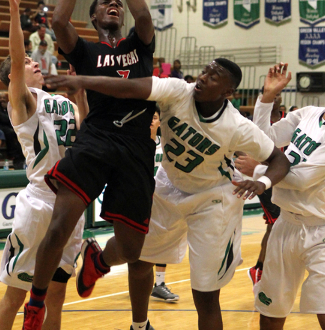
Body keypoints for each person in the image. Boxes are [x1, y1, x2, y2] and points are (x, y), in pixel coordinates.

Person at [44, 57, 290, 330]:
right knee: (137, 261)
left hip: (212, 197)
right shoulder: (177, 91)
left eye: (214, 76)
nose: (203, 77)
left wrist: (264, 182)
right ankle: (129, 310)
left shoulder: (237, 126)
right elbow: (130, 87)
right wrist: (82, 81)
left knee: (206, 296)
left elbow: (280, 161)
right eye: (205, 70)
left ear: (227, 92)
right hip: (168, 182)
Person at [22, 0, 158, 330]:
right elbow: (59, 19)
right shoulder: (85, 51)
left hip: (135, 144)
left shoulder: (139, 44)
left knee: (133, 249)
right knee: (61, 225)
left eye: (117, 2)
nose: (113, 4)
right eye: (105, 4)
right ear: (95, 18)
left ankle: (98, 260)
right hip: (97, 137)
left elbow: (145, 16)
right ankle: (37, 301)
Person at [0, 0, 88, 330]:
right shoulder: (22, 101)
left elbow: (86, 130)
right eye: (31, 64)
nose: (36, 63)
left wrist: (80, 93)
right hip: (40, 203)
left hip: (72, 202)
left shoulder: (59, 99)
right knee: (17, 295)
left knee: (56, 297)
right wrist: (15, 12)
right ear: (16, 78)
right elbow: (16, 59)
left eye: (36, 62)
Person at [250, 63, 325, 330]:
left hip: (321, 232)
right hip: (286, 225)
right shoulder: (309, 114)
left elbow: (303, 180)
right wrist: (267, 97)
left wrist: (257, 170)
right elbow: (263, 140)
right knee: (270, 312)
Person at [235, 88, 285, 285]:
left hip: (282, 174)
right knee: (275, 223)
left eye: (279, 93)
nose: (277, 95)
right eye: (273, 93)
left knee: (278, 224)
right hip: (265, 175)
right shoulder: (255, 121)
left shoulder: (288, 119)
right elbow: (241, 146)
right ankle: (261, 270)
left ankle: (262, 269)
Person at [150, 105, 179, 303]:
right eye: (149, 117)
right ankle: (140, 280)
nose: (151, 120)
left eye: (154, 117)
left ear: (160, 121)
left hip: (161, 200)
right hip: (141, 197)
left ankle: (159, 284)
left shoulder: (167, 142)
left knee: (162, 240)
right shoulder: (137, 141)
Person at [0, 92, 25, 169]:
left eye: (4, 98)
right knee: (9, 133)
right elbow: (2, 118)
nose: (2, 99)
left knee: (20, 132)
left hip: (9, 125)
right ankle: (11, 154)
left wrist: (6, 109)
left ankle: (21, 154)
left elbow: (15, 116)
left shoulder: (8, 105)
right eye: (0, 98)